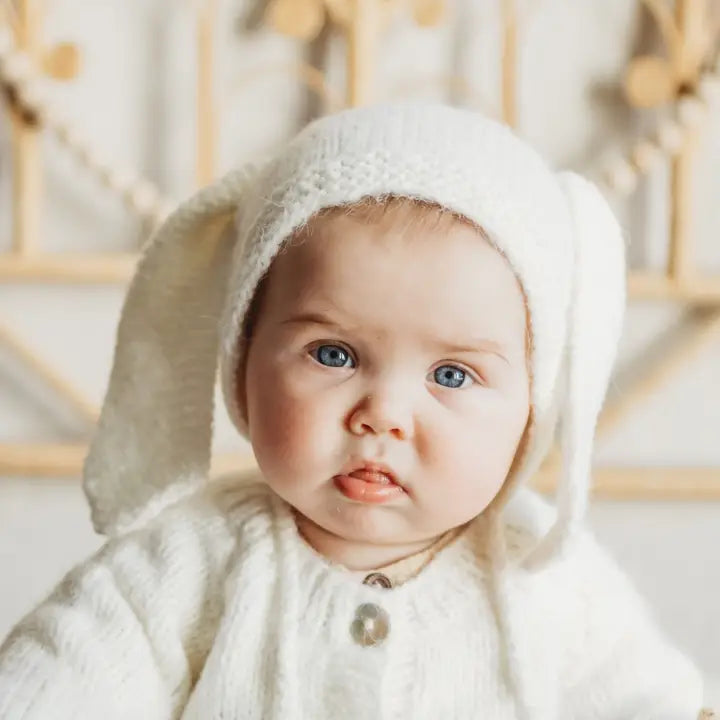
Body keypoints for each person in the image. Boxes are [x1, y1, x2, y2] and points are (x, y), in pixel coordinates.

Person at [0, 103, 710, 719]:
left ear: (533, 408)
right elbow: (52, 683)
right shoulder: (181, 563)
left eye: (452, 374)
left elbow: (648, 702)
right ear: (242, 358)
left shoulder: (546, 578)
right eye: (333, 355)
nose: (383, 417)